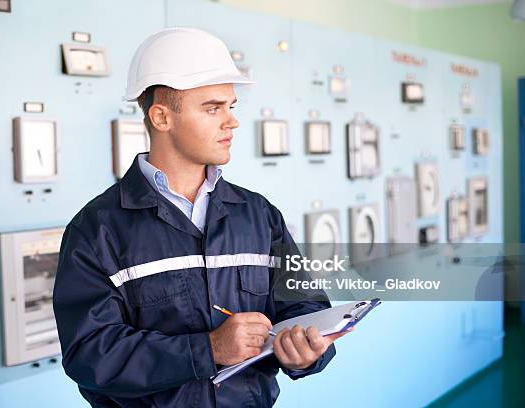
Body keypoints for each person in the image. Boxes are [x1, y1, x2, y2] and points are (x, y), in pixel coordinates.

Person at [53, 27, 350, 407]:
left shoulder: (259, 216)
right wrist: (208, 349)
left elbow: (304, 307)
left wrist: (309, 352)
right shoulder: (97, 230)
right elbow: (91, 354)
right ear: (161, 118)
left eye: (231, 106)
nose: (231, 122)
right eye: (212, 108)